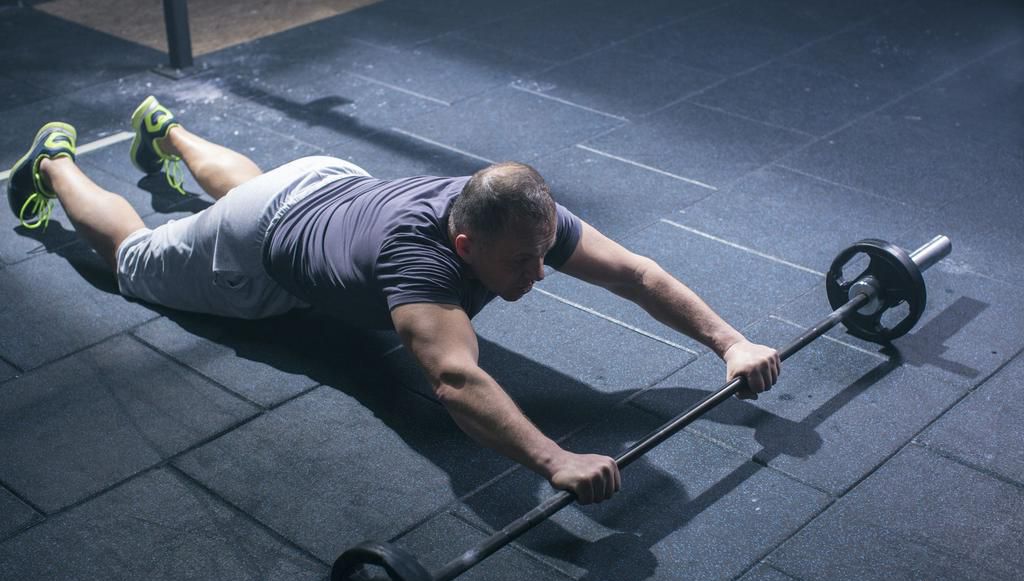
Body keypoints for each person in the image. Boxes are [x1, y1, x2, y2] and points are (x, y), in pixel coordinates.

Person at [6, 97, 780, 505]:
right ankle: (56, 164)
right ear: (466, 245)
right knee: (137, 258)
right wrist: (556, 459)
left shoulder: (517, 213)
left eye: (545, 252)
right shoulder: (422, 270)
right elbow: (452, 382)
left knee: (251, 188)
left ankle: (163, 129)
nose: (541, 274)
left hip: (320, 184)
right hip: (264, 245)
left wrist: (730, 343)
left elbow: (636, 274)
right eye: (522, 262)